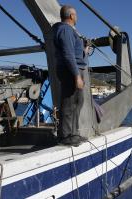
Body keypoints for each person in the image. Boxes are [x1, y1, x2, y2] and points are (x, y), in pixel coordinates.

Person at [52, 5, 88, 145]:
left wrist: (84, 50)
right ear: (72, 16)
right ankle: (65, 136)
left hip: (73, 69)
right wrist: (77, 75)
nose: (77, 17)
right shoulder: (65, 30)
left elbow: (73, 52)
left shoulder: (68, 31)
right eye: (76, 15)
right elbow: (68, 54)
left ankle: (74, 134)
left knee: (78, 103)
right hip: (70, 71)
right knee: (69, 103)